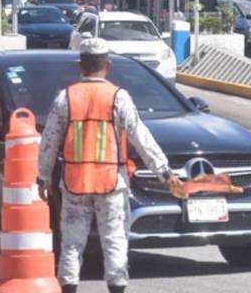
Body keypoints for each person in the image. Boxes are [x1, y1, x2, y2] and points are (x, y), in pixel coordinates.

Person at [37, 36, 184, 293]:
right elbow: (141, 136)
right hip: (111, 183)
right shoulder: (119, 97)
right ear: (108, 65)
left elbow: (49, 141)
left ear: (80, 66)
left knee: (71, 244)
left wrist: (43, 177)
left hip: (75, 182)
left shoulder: (66, 98)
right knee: (115, 242)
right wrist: (165, 172)